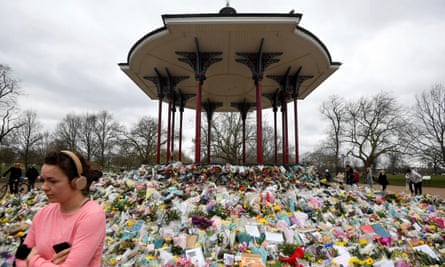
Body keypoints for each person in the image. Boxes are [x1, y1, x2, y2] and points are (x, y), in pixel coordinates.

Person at [15, 150, 105, 267]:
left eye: (52, 181)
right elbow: (20, 258)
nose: (44, 187)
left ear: (77, 182)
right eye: (43, 180)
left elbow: (27, 258)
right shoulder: (43, 213)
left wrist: (33, 260)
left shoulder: (92, 216)